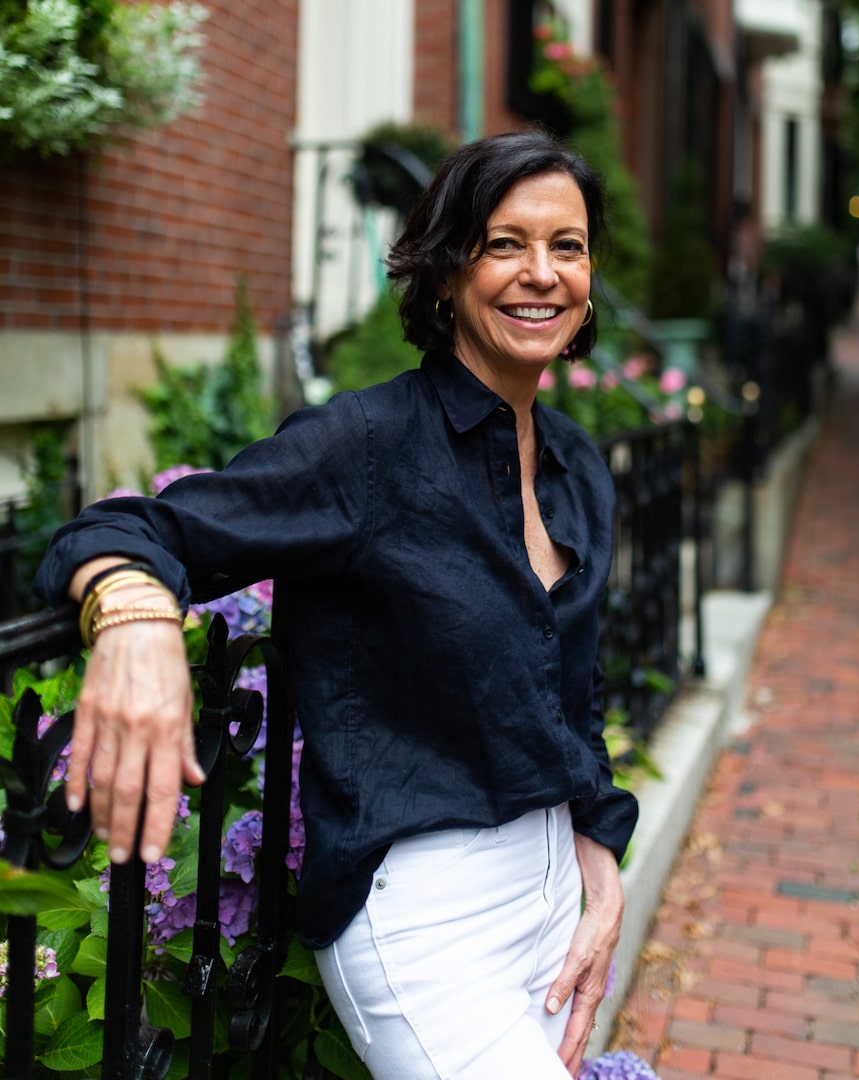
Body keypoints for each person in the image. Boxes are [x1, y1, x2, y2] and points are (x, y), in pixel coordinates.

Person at [36, 129, 639, 1079]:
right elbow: (128, 530)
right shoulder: (364, 446)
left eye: (566, 245)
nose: (541, 273)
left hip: (553, 893)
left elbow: (577, 690)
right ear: (446, 275)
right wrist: (134, 618)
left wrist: (599, 845)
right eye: (504, 243)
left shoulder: (572, 462)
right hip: (423, 918)